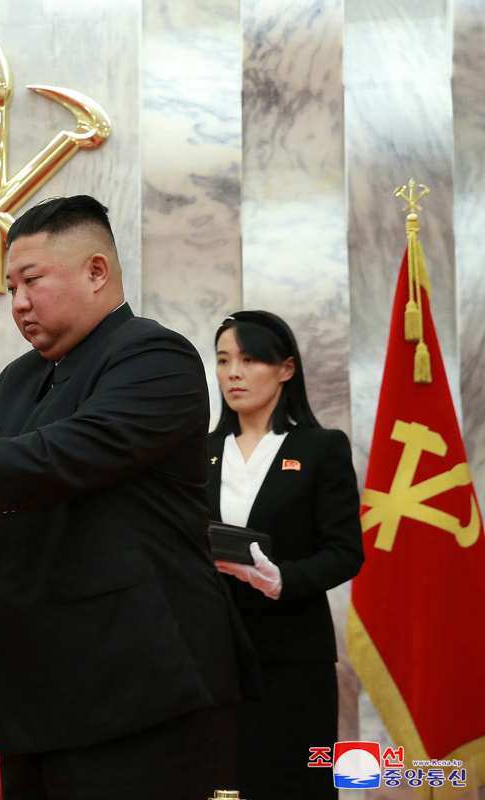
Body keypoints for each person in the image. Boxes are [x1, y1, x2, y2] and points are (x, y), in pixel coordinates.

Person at [0, 195, 257, 800]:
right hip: (35, 691)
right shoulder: (21, 376)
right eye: (11, 287)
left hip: (138, 689)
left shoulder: (155, 355)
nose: (18, 302)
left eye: (31, 281)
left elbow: (73, 449)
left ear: (96, 272)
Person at [209, 311, 364, 800]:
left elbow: (345, 552)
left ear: (286, 369)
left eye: (249, 359)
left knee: (293, 783)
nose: (233, 373)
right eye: (223, 360)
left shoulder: (320, 448)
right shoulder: (196, 453)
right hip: (209, 657)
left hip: (291, 658)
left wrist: (282, 580)